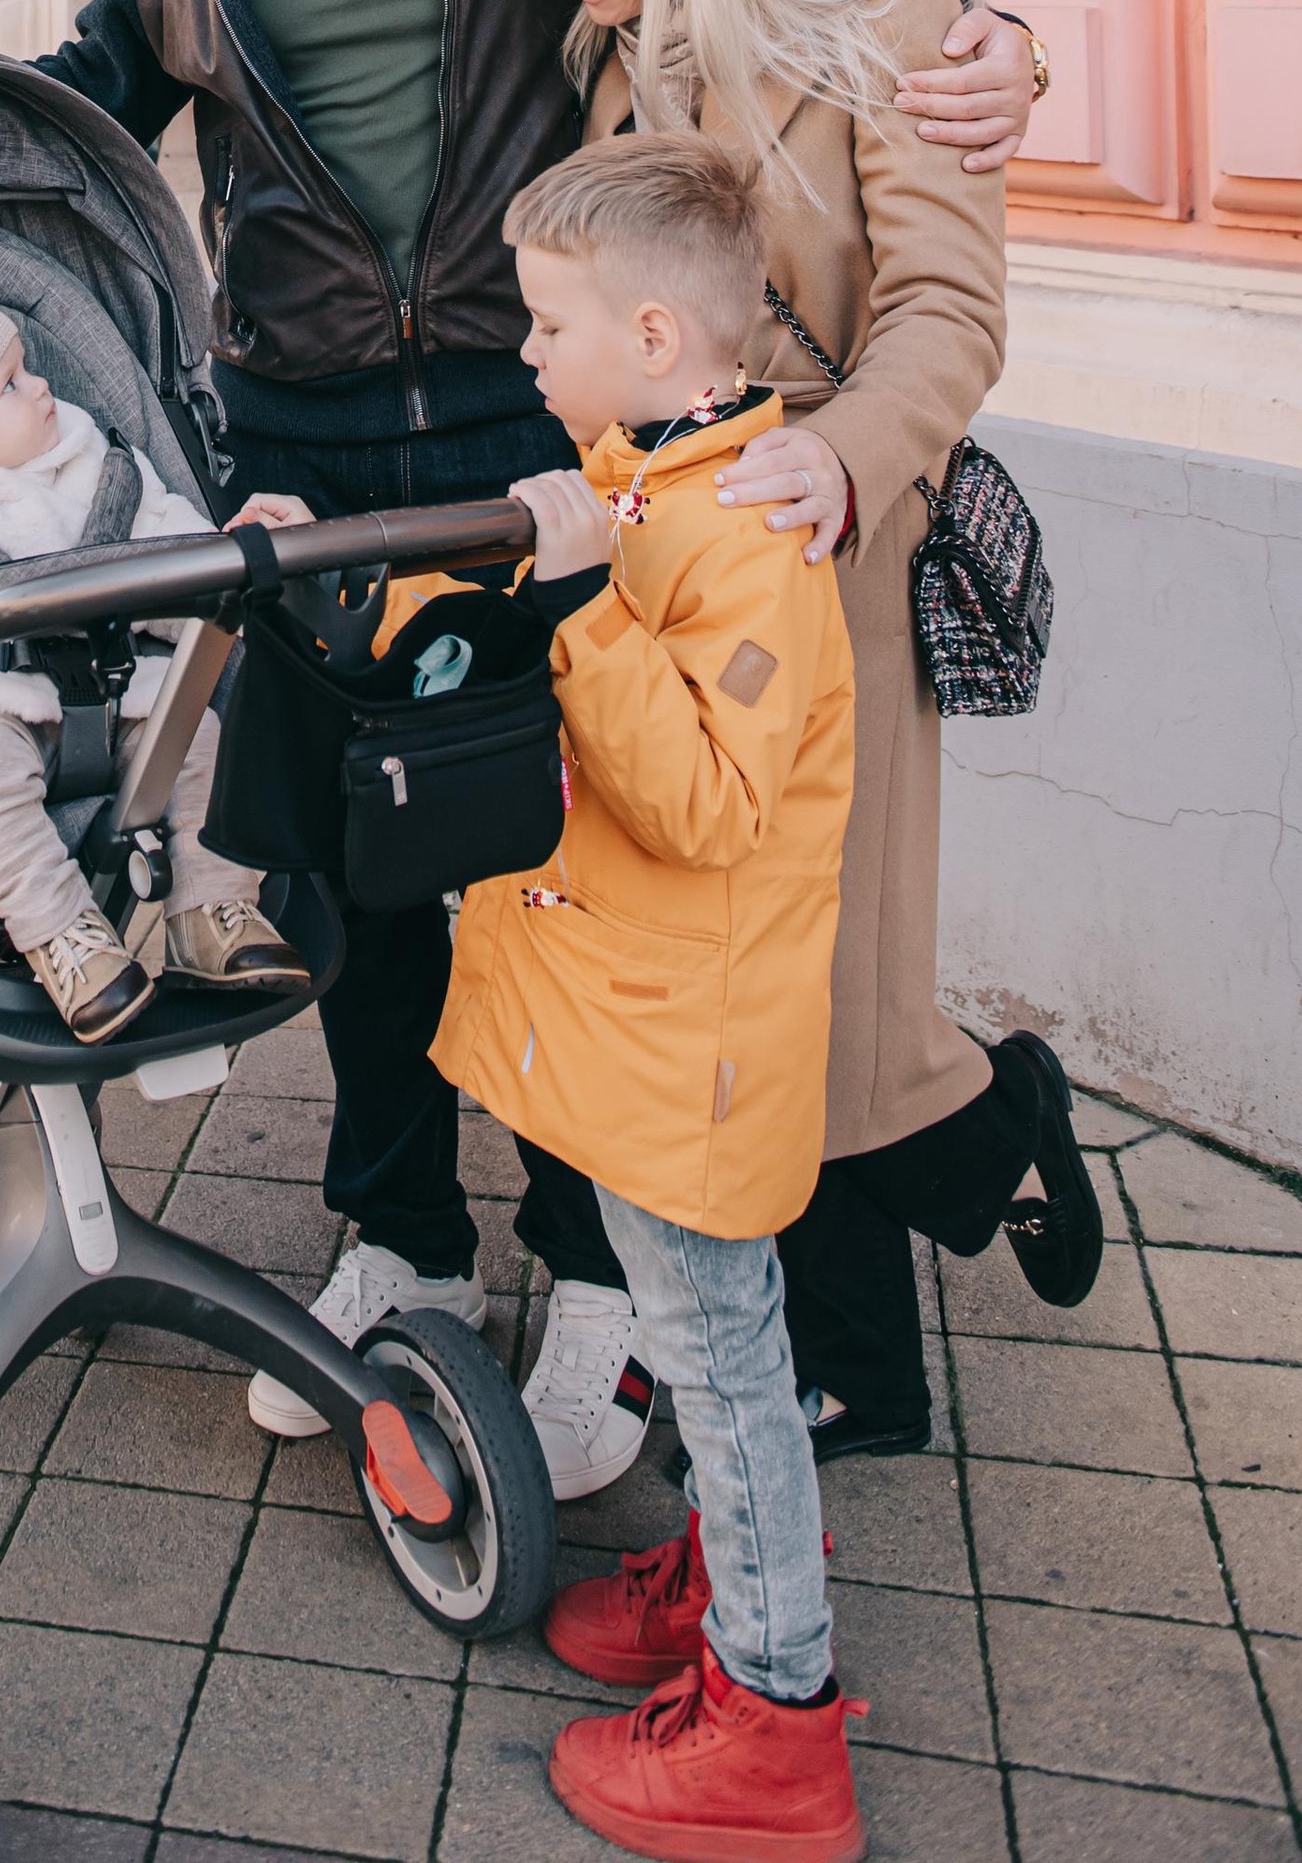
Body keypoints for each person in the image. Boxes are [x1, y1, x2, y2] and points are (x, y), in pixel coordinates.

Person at [39, 0, 1043, 1483]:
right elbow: (99, 96)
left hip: (534, 436)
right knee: (357, 871)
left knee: (579, 865)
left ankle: (600, 1269)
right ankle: (397, 1232)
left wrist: (1009, 32)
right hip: (307, 440)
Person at [513, 0, 1102, 1459]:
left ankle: (860, 1363)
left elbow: (947, 310)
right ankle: (985, 1135)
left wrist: (849, 454)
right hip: (671, 568)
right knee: (724, 985)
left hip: (834, 568)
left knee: (822, 996)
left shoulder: (905, 21)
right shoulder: (616, 57)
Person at [437, 132, 865, 1863]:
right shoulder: (657, 473)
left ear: (663, 340)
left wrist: (584, 592)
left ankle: (776, 1712)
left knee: (725, 1351)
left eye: (550, 324)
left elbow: (701, 799)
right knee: (712, 1337)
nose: (527, 353)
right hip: (646, 1020)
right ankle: (729, 1571)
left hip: (690, 1037)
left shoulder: (737, 534)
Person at [0, 275, 310, 1042]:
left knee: (203, 741)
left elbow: (171, 544)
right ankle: (66, 940)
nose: (41, 386)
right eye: (10, 385)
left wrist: (219, 562)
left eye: (27, 367)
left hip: (128, 687)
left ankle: (211, 914)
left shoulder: (99, 462)